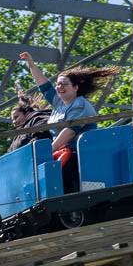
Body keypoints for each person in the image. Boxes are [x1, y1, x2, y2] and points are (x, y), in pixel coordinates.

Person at [19, 51, 119, 192]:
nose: (59, 87)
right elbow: (44, 85)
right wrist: (31, 64)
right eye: (58, 84)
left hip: (81, 153)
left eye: (64, 84)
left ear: (75, 87)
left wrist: (51, 148)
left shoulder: (80, 104)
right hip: (63, 151)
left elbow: (70, 132)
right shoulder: (59, 102)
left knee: (62, 168)